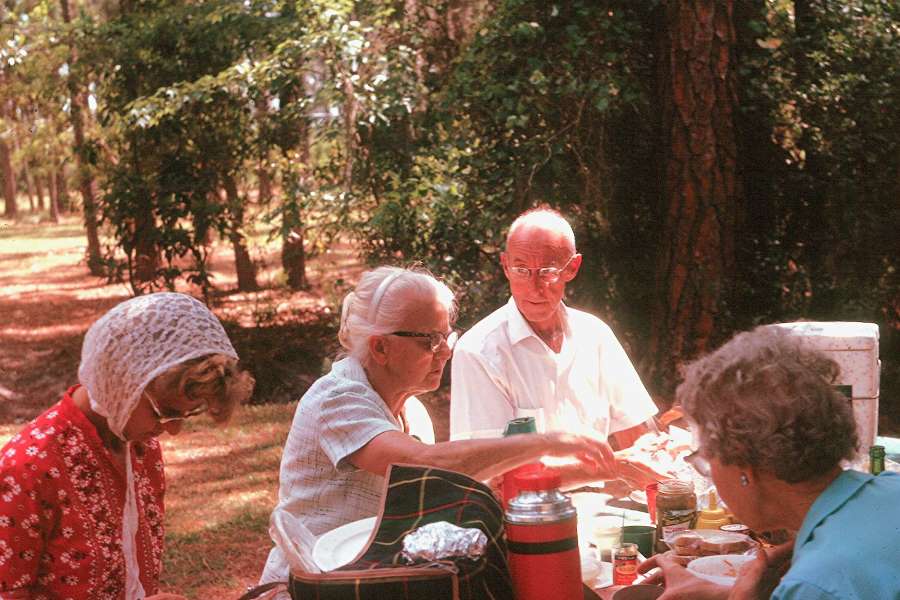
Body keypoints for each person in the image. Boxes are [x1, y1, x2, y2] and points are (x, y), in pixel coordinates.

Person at [258, 265, 618, 588]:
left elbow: (463, 484)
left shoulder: (411, 411)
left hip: (370, 576)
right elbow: (421, 464)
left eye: (447, 336)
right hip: (311, 586)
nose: (445, 352)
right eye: (430, 340)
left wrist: (606, 468)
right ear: (380, 348)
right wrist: (547, 442)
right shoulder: (338, 400)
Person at [0, 292, 255, 600]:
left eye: (186, 415)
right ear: (123, 383)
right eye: (166, 412)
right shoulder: (28, 469)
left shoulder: (139, 445)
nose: (172, 430)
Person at [638, 325, 900, 599]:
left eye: (705, 460)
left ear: (743, 468)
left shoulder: (815, 584)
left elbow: (827, 584)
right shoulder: (890, 487)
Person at [450, 208, 658, 485]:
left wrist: (659, 460)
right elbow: (494, 475)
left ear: (572, 268)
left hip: (605, 509)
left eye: (547, 271)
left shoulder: (595, 335)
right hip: (525, 517)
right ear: (505, 266)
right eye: (522, 270)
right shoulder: (478, 351)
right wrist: (614, 467)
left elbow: (639, 433)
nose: (534, 287)